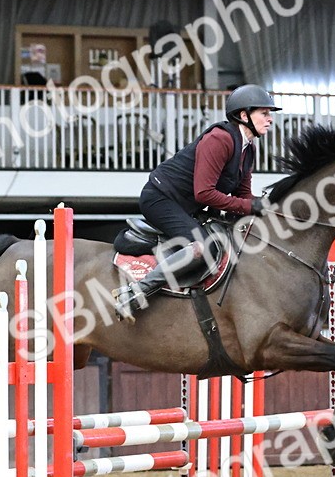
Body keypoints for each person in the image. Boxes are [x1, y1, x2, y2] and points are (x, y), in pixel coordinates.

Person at [113, 84, 281, 315]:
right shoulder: (219, 139)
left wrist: (272, 208)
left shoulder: (248, 148)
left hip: (185, 205)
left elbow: (242, 196)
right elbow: (205, 194)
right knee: (202, 248)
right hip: (159, 198)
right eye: (264, 113)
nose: (270, 119)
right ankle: (135, 293)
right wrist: (251, 205)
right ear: (244, 115)